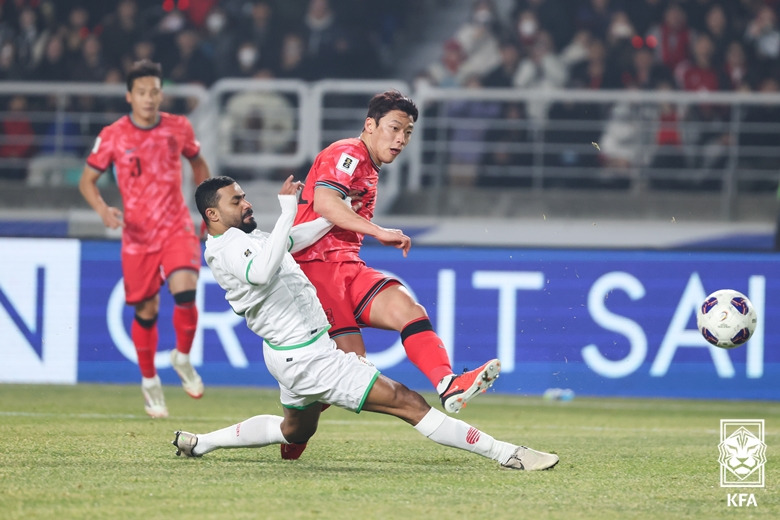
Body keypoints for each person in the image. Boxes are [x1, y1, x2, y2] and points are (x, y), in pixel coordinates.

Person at [172, 175, 559, 473]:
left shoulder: (247, 237)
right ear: (213, 214)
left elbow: (290, 240)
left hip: (289, 355)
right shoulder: (225, 249)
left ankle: (203, 442)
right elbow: (259, 273)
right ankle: (508, 454)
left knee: (295, 431)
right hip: (310, 359)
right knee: (407, 402)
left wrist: (339, 214)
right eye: (236, 200)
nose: (246, 203)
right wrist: (288, 210)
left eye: (243, 196)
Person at [78, 59, 210, 418]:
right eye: (141, 93)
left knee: (186, 289)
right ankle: (150, 380)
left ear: (160, 93)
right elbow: (86, 181)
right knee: (147, 310)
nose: (149, 99)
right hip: (137, 236)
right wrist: (105, 211)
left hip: (175, 226)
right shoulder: (113, 135)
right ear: (129, 96)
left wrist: (204, 207)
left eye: (154, 91)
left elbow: (198, 165)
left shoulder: (177, 128)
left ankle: (182, 357)